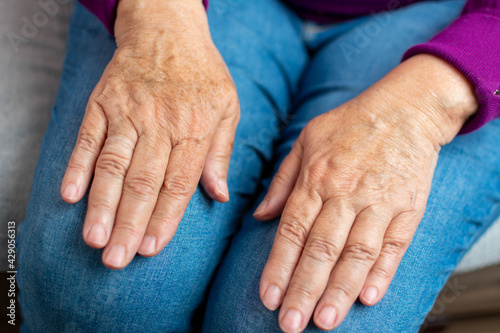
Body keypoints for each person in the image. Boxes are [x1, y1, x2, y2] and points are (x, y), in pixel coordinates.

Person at [17, 0, 500, 332]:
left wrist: (424, 108)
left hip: (453, 18)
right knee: (95, 296)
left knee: (303, 319)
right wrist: (157, 18)